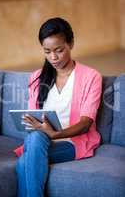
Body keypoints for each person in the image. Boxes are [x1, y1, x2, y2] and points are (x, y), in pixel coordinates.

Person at [15, 17, 102, 197]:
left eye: (59, 50)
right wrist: (34, 125)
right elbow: (33, 116)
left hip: (73, 141)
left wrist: (56, 134)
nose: (53, 57)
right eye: (47, 51)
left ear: (70, 44)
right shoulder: (37, 78)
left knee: (25, 162)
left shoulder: (91, 76)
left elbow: (86, 123)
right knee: (36, 138)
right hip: (41, 140)